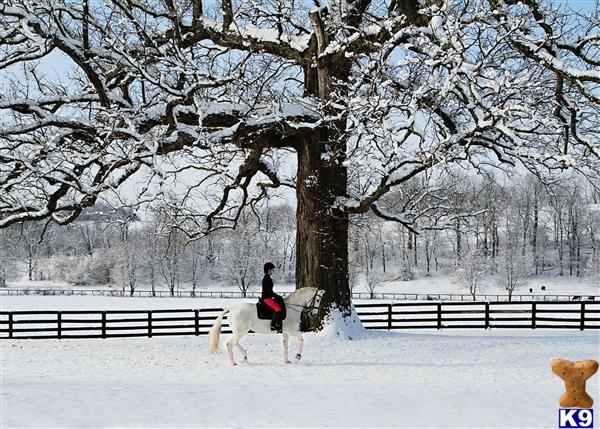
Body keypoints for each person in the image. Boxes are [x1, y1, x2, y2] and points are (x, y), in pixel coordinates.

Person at [262, 262, 285, 333]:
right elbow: (269, 292)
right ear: (268, 270)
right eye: (272, 270)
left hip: (268, 297)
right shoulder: (267, 278)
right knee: (278, 309)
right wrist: (278, 297)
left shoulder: (267, 277)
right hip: (267, 298)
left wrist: (277, 297)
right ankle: (273, 325)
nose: (273, 271)